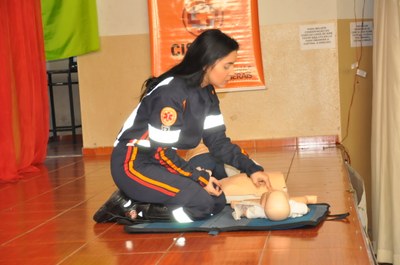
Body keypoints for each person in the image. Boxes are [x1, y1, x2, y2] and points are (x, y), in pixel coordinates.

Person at [93, 29, 271, 224]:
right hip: (133, 165)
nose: (232, 72)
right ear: (207, 63)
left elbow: (218, 142)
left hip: (160, 161)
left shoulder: (207, 93)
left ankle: (145, 198)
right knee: (201, 204)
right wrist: (200, 178)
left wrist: (252, 169)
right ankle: (129, 208)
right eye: (227, 66)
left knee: (217, 200)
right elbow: (160, 152)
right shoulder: (171, 93)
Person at [219, 173, 317, 221]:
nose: (270, 191)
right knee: (303, 200)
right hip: (288, 206)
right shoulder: (293, 207)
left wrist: (238, 207)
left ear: (264, 206)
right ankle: (310, 198)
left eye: (269, 194)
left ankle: (309, 199)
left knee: (250, 203)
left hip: (268, 205)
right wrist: (307, 207)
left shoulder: (260, 210)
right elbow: (304, 208)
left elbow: (246, 211)